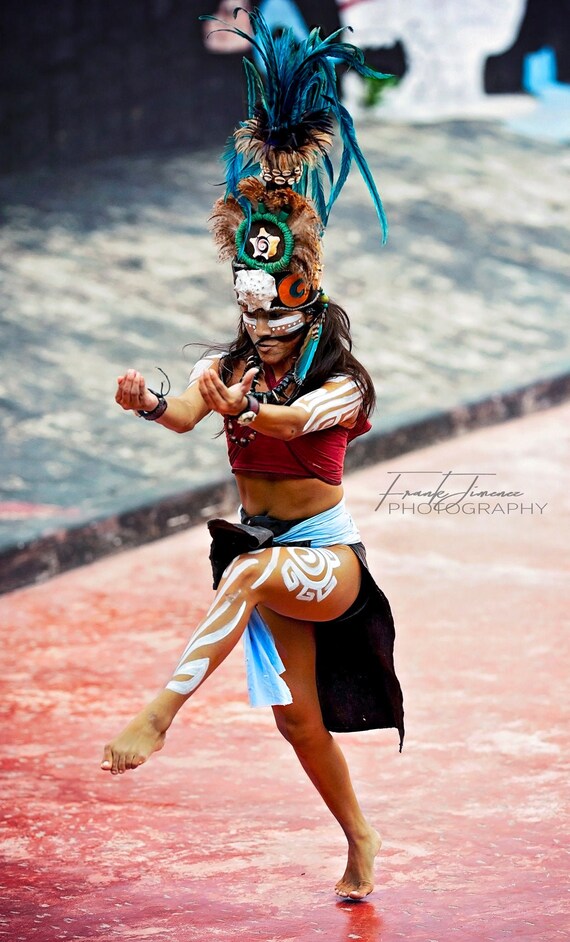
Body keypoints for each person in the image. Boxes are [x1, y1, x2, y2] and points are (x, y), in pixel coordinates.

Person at [100, 10, 404, 902]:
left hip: (322, 560)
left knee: (246, 578)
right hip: (263, 550)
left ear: (306, 306)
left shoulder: (342, 382)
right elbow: (188, 412)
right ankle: (362, 837)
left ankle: (158, 716)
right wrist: (148, 398)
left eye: (277, 321)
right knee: (298, 724)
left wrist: (258, 415)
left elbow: (290, 422)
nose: (262, 337)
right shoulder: (226, 363)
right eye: (252, 321)